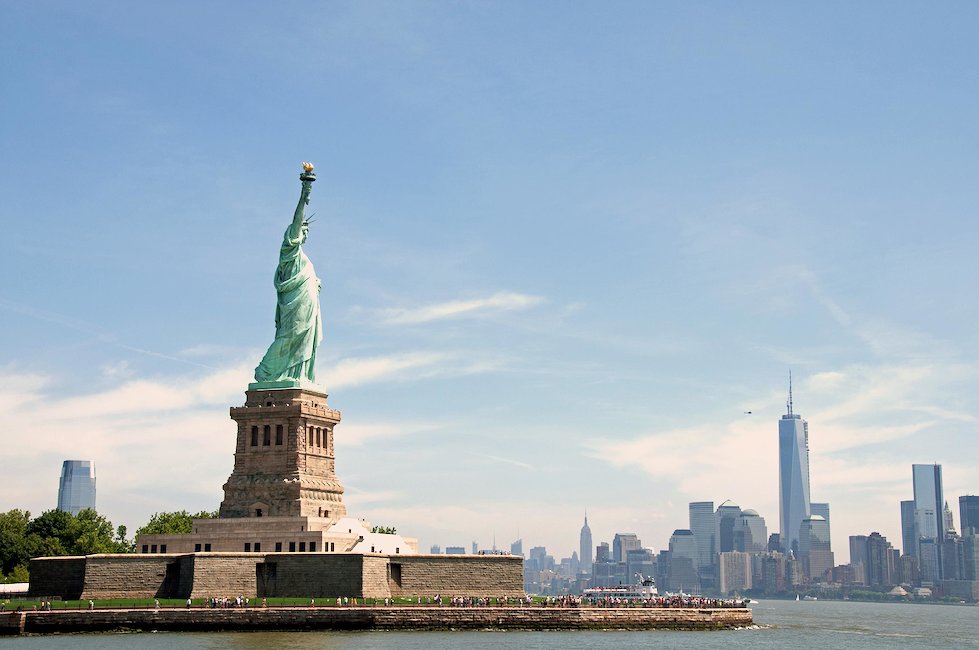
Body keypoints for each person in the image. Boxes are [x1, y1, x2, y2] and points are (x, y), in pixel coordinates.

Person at [254, 165, 323, 384]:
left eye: (306, 231)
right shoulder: (289, 251)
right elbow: (296, 220)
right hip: (295, 307)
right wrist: (306, 192)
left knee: (303, 340)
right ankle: (266, 371)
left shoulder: (304, 259)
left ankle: (298, 375)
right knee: (289, 337)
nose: (304, 233)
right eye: (302, 229)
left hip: (307, 306)